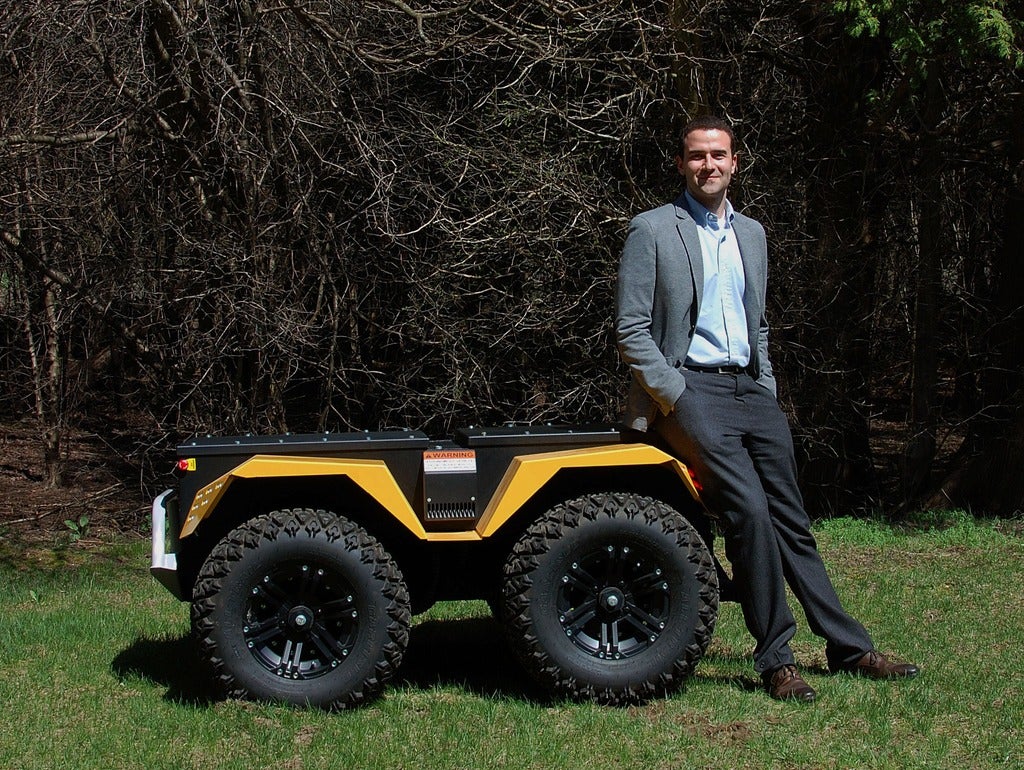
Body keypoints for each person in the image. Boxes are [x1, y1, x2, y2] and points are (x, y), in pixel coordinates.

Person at [614, 115, 919, 702]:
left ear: (735, 163)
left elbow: (757, 324)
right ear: (681, 164)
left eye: (718, 155)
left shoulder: (751, 233)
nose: (708, 165)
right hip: (689, 391)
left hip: (751, 391)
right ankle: (777, 661)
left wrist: (768, 386)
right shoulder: (651, 229)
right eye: (697, 156)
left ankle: (848, 647)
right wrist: (675, 392)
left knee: (791, 521)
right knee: (750, 514)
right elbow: (631, 330)